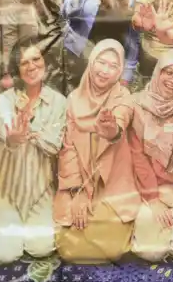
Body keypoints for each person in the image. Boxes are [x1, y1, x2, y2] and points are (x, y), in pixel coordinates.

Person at [0, 43, 68, 266]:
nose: (32, 66)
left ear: (45, 62)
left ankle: (21, 230)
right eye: (24, 62)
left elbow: (54, 145)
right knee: (5, 255)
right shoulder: (5, 100)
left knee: (41, 249)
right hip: (4, 191)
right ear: (17, 69)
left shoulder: (59, 102)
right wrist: (15, 138)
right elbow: (7, 134)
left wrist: (31, 130)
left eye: (36, 59)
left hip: (40, 192)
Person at [53, 40, 137, 263]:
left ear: (119, 71)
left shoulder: (123, 97)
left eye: (113, 66)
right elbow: (68, 149)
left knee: (112, 248)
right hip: (79, 180)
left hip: (111, 185)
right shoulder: (73, 100)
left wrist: (110, 129)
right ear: (91, 62)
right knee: (67, 247)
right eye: (101, 62)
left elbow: (120, 121)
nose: (105, 70)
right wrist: (77, 191)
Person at [125, 50, 173, 263]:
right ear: (158, 71)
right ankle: (163, 232)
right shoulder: (137, 105)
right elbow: (138, 157)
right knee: (149, 253)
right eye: (169, 72)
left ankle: (170, 231)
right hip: (149, 188)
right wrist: (153, 200)